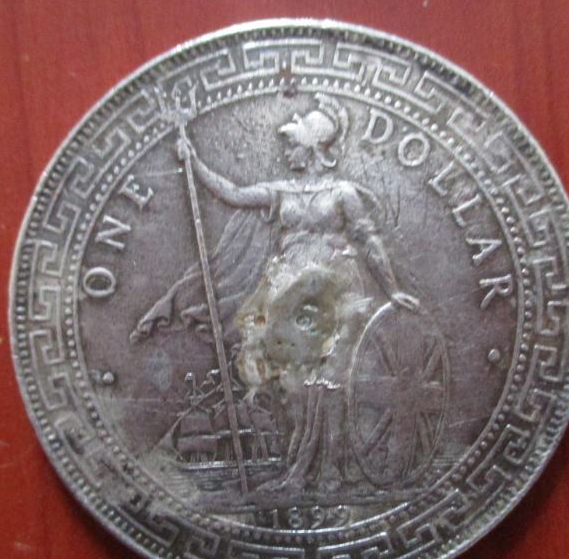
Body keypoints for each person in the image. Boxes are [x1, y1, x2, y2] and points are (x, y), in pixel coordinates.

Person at [132, 94, 418, 492]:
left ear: (314, 147)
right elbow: (232, 193)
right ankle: (299, 466)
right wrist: (193, 162)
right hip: (292, 292)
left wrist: (393, 290)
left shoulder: (343, 194)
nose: (286, 151)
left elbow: (370, 241)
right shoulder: (282, 191)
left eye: (293, 144)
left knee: (330, 383)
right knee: (294, 385)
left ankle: (331, 470)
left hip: (337, 290)